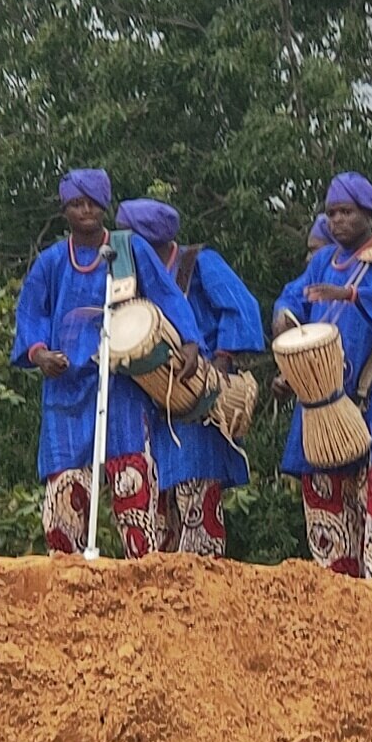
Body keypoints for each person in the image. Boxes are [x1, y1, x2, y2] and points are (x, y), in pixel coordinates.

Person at [11, 169, 204, 558]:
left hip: (122, 383)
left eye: (92, 203)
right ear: (65, 209)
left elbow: (167, 296)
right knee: (66, 487)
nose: (85, 210)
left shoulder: (128, 249)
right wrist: (39, 354)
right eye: (76, 204)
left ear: (104, 206)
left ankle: (141, 575)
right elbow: (30, 315)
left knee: (132, 478)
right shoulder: (51, 262)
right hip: (66, 389)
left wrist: (189, 342)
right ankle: (68, 579)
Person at [272, 172, 372, 579]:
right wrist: (284, 324)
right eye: (332, 213)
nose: (337, 221)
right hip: (320, 405)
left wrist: (353, 294)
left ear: (368, 213)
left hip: (371, 397)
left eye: (347, 212)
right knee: (327, 513)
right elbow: (291, 297)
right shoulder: (322, 261)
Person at [115, 198, 264, 556]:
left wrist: (221, 361)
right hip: (151, 398)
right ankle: (162, 574)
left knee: (195, 482)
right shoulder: (128, 274)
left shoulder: (198, 262)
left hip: (197, 393)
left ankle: (203, 568)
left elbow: (241, 308)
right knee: (156, 490)